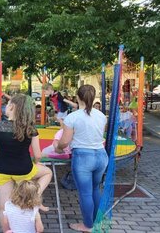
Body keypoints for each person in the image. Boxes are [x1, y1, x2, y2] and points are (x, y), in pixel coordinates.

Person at [0, 94, 52, 233]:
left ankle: (7, 231)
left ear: (11, 107)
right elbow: (37, 154)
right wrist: (37, 163)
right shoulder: (30, 129)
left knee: (4, 206)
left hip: (3, 169)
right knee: (47, 172)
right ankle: (35, 195)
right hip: (24, 169)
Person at [56, 84, 108, 232]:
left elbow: (65, 141)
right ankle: (97, 223)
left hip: (83, 157)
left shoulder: (72, 117)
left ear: (78, 97)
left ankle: (87, 225)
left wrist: (58, 148)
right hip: (101, 155)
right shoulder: (101, 116)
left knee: (85, 193)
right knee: (95, 190)